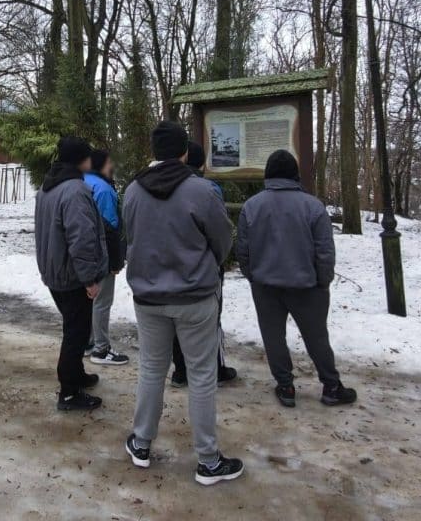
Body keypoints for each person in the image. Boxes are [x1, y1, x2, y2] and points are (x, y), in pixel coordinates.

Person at [123, 120, 244, 486]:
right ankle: (208, 460)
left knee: (151, 369)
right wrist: (208, 264)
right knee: (202, 375)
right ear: (183, 152)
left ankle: (141, 443)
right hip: (194, 297)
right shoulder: (201, 191)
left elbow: (131, 236)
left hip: (147, 296)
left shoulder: (131, 191)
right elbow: (222, 240)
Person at [235, 149, 357, 408]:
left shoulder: (251, 206)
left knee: (273, 338)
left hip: (266, 286)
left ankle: (285, 385)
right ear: (294, 174)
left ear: (268, 174)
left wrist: (253, 276)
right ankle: (331, 385)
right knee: (317, 338)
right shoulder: (313, 207)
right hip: (307, 286)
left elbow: (243, 250)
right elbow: (324, 250)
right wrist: (323, 281)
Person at [35, 136, 109, 411]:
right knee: (76, 334)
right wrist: (89, 278)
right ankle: (68, 393)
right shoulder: (75, 190)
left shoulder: (48, 186)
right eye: (88, 156)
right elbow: (81, 238)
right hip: (72, 275)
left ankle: (76, 376)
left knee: (74, 329)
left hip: (56, 272)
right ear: (81, 160)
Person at [170, 141, 238, 387]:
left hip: (170, 265)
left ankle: (180, 372)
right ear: (200, 162)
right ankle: (217, 369)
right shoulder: (209, 188)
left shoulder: (163, 185)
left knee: (175, 320)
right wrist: (217, 261)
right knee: (211, 319)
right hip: (202, 268)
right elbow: (220, 232)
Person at [83, 150, 129, 366]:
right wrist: (115, 261)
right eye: (110, 162)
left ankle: (88, 342)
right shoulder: (103, 189)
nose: (112, 166)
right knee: (102, 301)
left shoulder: (82, 182)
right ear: (102, 165)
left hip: (82, 254)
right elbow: (110, 228)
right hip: (101, 257)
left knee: (88, 299)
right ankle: (101, 349)